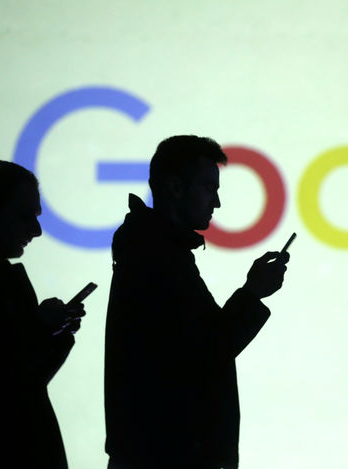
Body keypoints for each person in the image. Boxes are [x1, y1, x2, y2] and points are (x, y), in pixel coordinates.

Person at [104, 135, 289, 469]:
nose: (216, 203)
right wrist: (252, 294)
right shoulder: (157, 257)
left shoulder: (151, 249)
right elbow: (208, 349)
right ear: (175, 188)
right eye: (208, 188)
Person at [0, 161, 84, 468]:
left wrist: (55, 334)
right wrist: (41, 328)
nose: (35, 231)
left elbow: (24, 378)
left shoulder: (7, 281)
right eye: (25, 216)